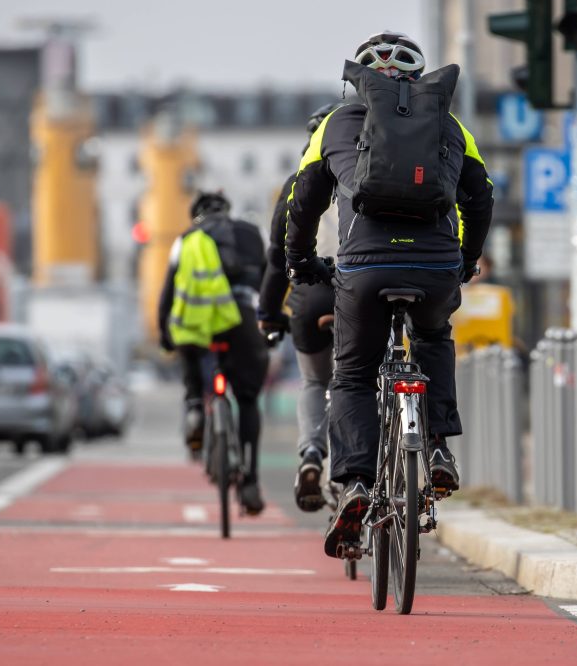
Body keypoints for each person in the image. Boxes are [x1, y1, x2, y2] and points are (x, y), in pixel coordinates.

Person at [284, 31, 494, 557]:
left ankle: (355, 482)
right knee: (433, 336)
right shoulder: (449, 125)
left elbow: (304, 197)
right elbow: (481, 195)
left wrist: (299, 259)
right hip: (436, 265)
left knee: (353, 374)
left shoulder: (335, 124)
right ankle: (440, 448)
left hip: (363, 267)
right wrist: (466, 259)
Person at [158, 190, 270, 515]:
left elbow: (168, 293)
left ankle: (194, 405)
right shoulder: (252, 233)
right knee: (248, 399)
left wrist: (166, 335)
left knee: (187, 345)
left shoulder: (187, 239)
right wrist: (272, 327)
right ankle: (249, 479)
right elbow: (269, 283)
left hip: (200, 322)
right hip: (244, 319)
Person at [258, 103, 341, 512]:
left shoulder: (297, 183)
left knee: (314, 382)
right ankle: (371, 461)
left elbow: (278, 258)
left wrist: (268, 314)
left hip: (311, 297)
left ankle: (311, 453)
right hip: (364, 288)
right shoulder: (374, 176)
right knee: (367, 378)